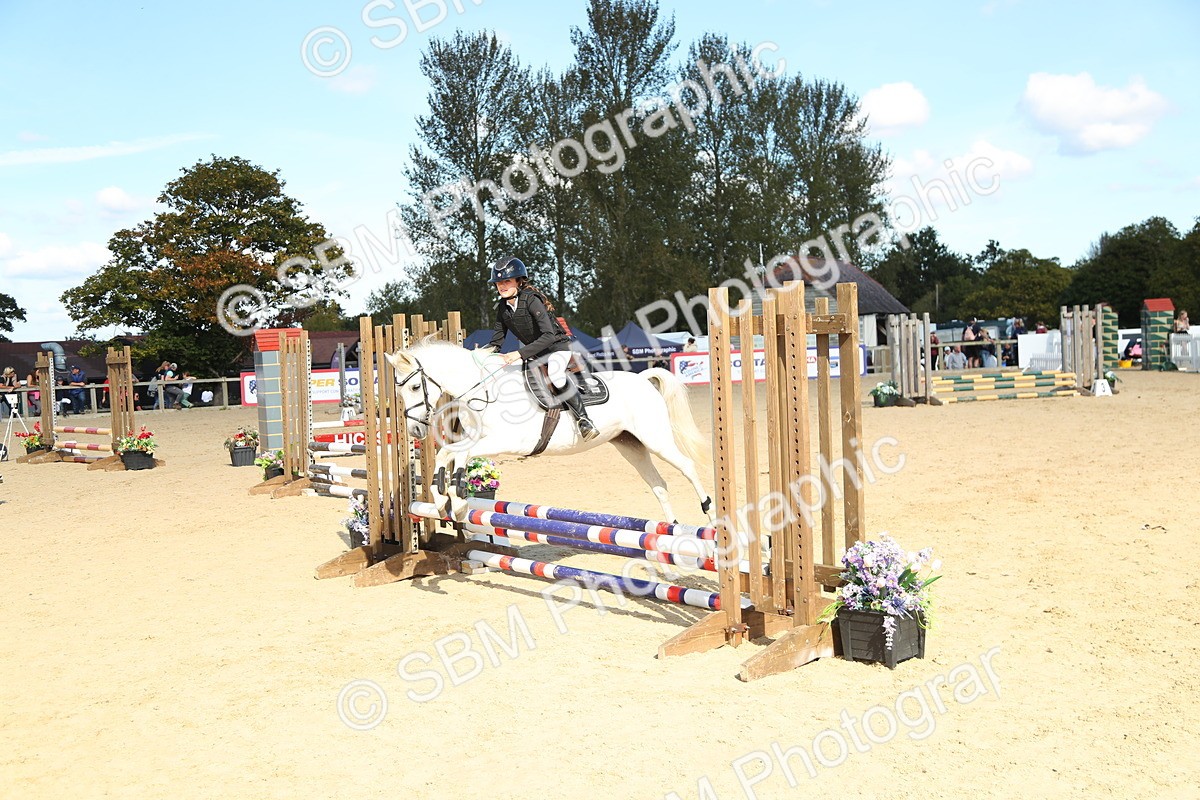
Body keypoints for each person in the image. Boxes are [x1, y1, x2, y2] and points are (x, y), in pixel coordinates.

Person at [487, 255, 598, 441]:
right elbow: (496, 342)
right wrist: (480, 356)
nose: (502, 286)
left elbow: (549, 336)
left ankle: (584, 420)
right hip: (536, 354)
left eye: (506, 281)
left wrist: (519, 354)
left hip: (558, 348)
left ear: (519, 281)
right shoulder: (502, 307)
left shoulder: (531, 299)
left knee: (555, 373)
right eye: (498, 282)